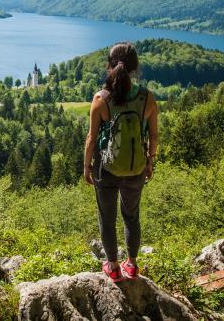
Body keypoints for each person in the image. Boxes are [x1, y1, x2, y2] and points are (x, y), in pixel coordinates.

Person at [83, 42, 158, 282]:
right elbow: (154, 135)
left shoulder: (101, 99)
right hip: (136, 168)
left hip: (106, 169)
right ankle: (132, 265)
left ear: (109, 65)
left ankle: (113, 268)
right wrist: (150, 162)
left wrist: (87, 167)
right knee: (132, 216)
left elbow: (91, 139)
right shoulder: (147, 98)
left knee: (107, 217)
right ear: (135, 67)